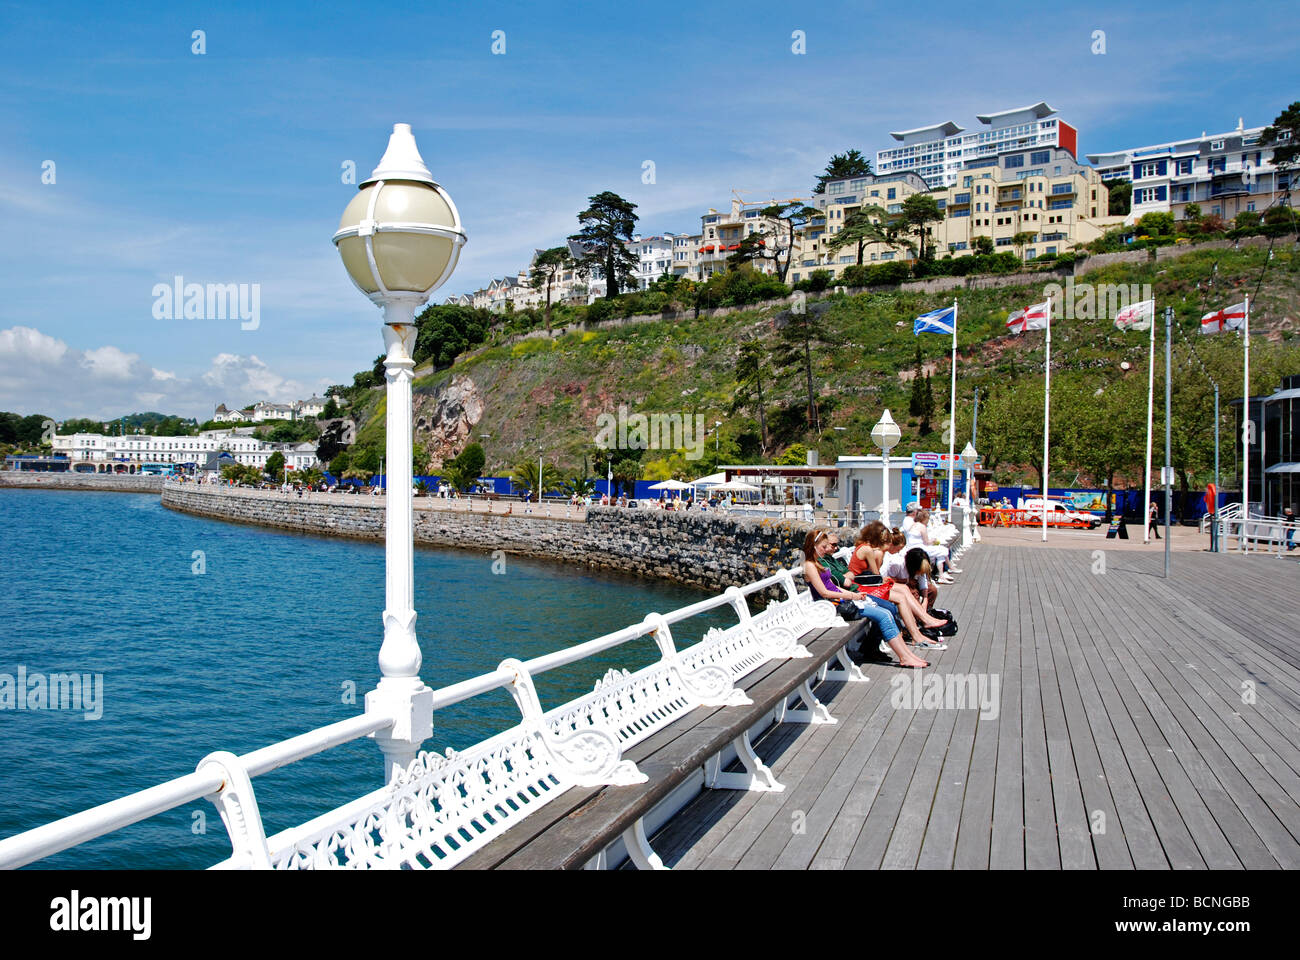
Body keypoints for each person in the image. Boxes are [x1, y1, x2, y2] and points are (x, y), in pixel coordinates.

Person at [802, 528, 928, 668]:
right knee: (884, 615)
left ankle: (908, 655)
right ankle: (904, 657)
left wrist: (854, 596)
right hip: (833, 606)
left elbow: (833, 586)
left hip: (842, 600)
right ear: (813, 546)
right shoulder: (810, 566)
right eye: (823, 547)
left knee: (887, 612)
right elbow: (825, 592)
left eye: (826, 546)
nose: (826, 550)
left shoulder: (819, 563)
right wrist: (851, 595)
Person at [845, 522, 954, 646]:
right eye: (887, 542)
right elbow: (876, 576)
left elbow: (875, 577)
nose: (888, 546)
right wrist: (882, 556)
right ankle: (917, 632)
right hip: (861, 588)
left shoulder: (867, 548)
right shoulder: (870, 550)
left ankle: (923, 622)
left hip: (865, 584)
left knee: (903, 588)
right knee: (901, 597)